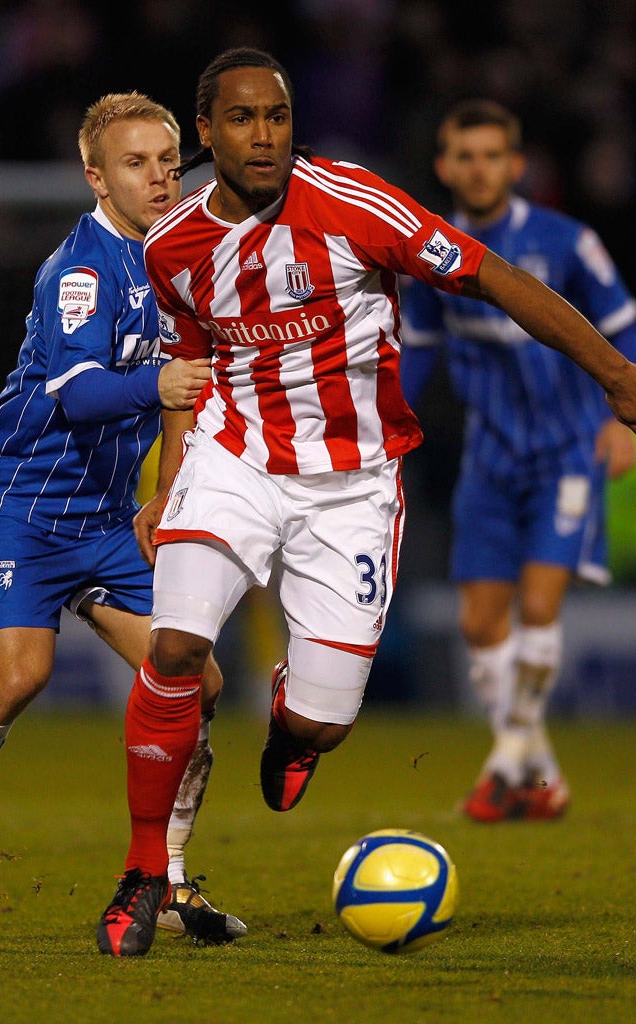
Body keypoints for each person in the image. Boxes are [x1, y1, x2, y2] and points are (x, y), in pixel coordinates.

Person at [94, 47, 636, 957]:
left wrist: (618, 378)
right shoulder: (172, 246)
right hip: (235, 461)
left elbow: (491, 277)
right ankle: (145, 870)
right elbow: (194, 371)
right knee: (178, 645)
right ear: (206, 131)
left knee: (325, 720)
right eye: (241, 118)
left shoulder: (353, 203)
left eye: (277, 116)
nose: (263, 136)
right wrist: (167, 483)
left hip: (351, 486)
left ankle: (295, 728)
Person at [0, 91, 246, 953]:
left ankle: (169, 880)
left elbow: (181, 400)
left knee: (200, 684)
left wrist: (169, 494)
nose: (158, 177)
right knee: (18, 677)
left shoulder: (182, 258)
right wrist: (159, 387)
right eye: (134, 163)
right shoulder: (79, 271)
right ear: (95, 176)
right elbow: (80, 394)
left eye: (166, 159)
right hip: (14, 504)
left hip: (109, 516)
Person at [400, 99, 636, 822]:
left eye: (491, 155)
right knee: (481, 624)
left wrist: (623, 422)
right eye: (464, 157)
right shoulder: (433, 258)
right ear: (445, 167)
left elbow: (625, 325)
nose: (479, 169)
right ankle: (543, 776)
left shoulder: (568, 242)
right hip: (488, 461)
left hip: (565, 452)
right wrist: (387, 431)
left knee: (537, 607)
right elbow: (417, 356)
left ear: (516, 164)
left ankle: (504, 766)